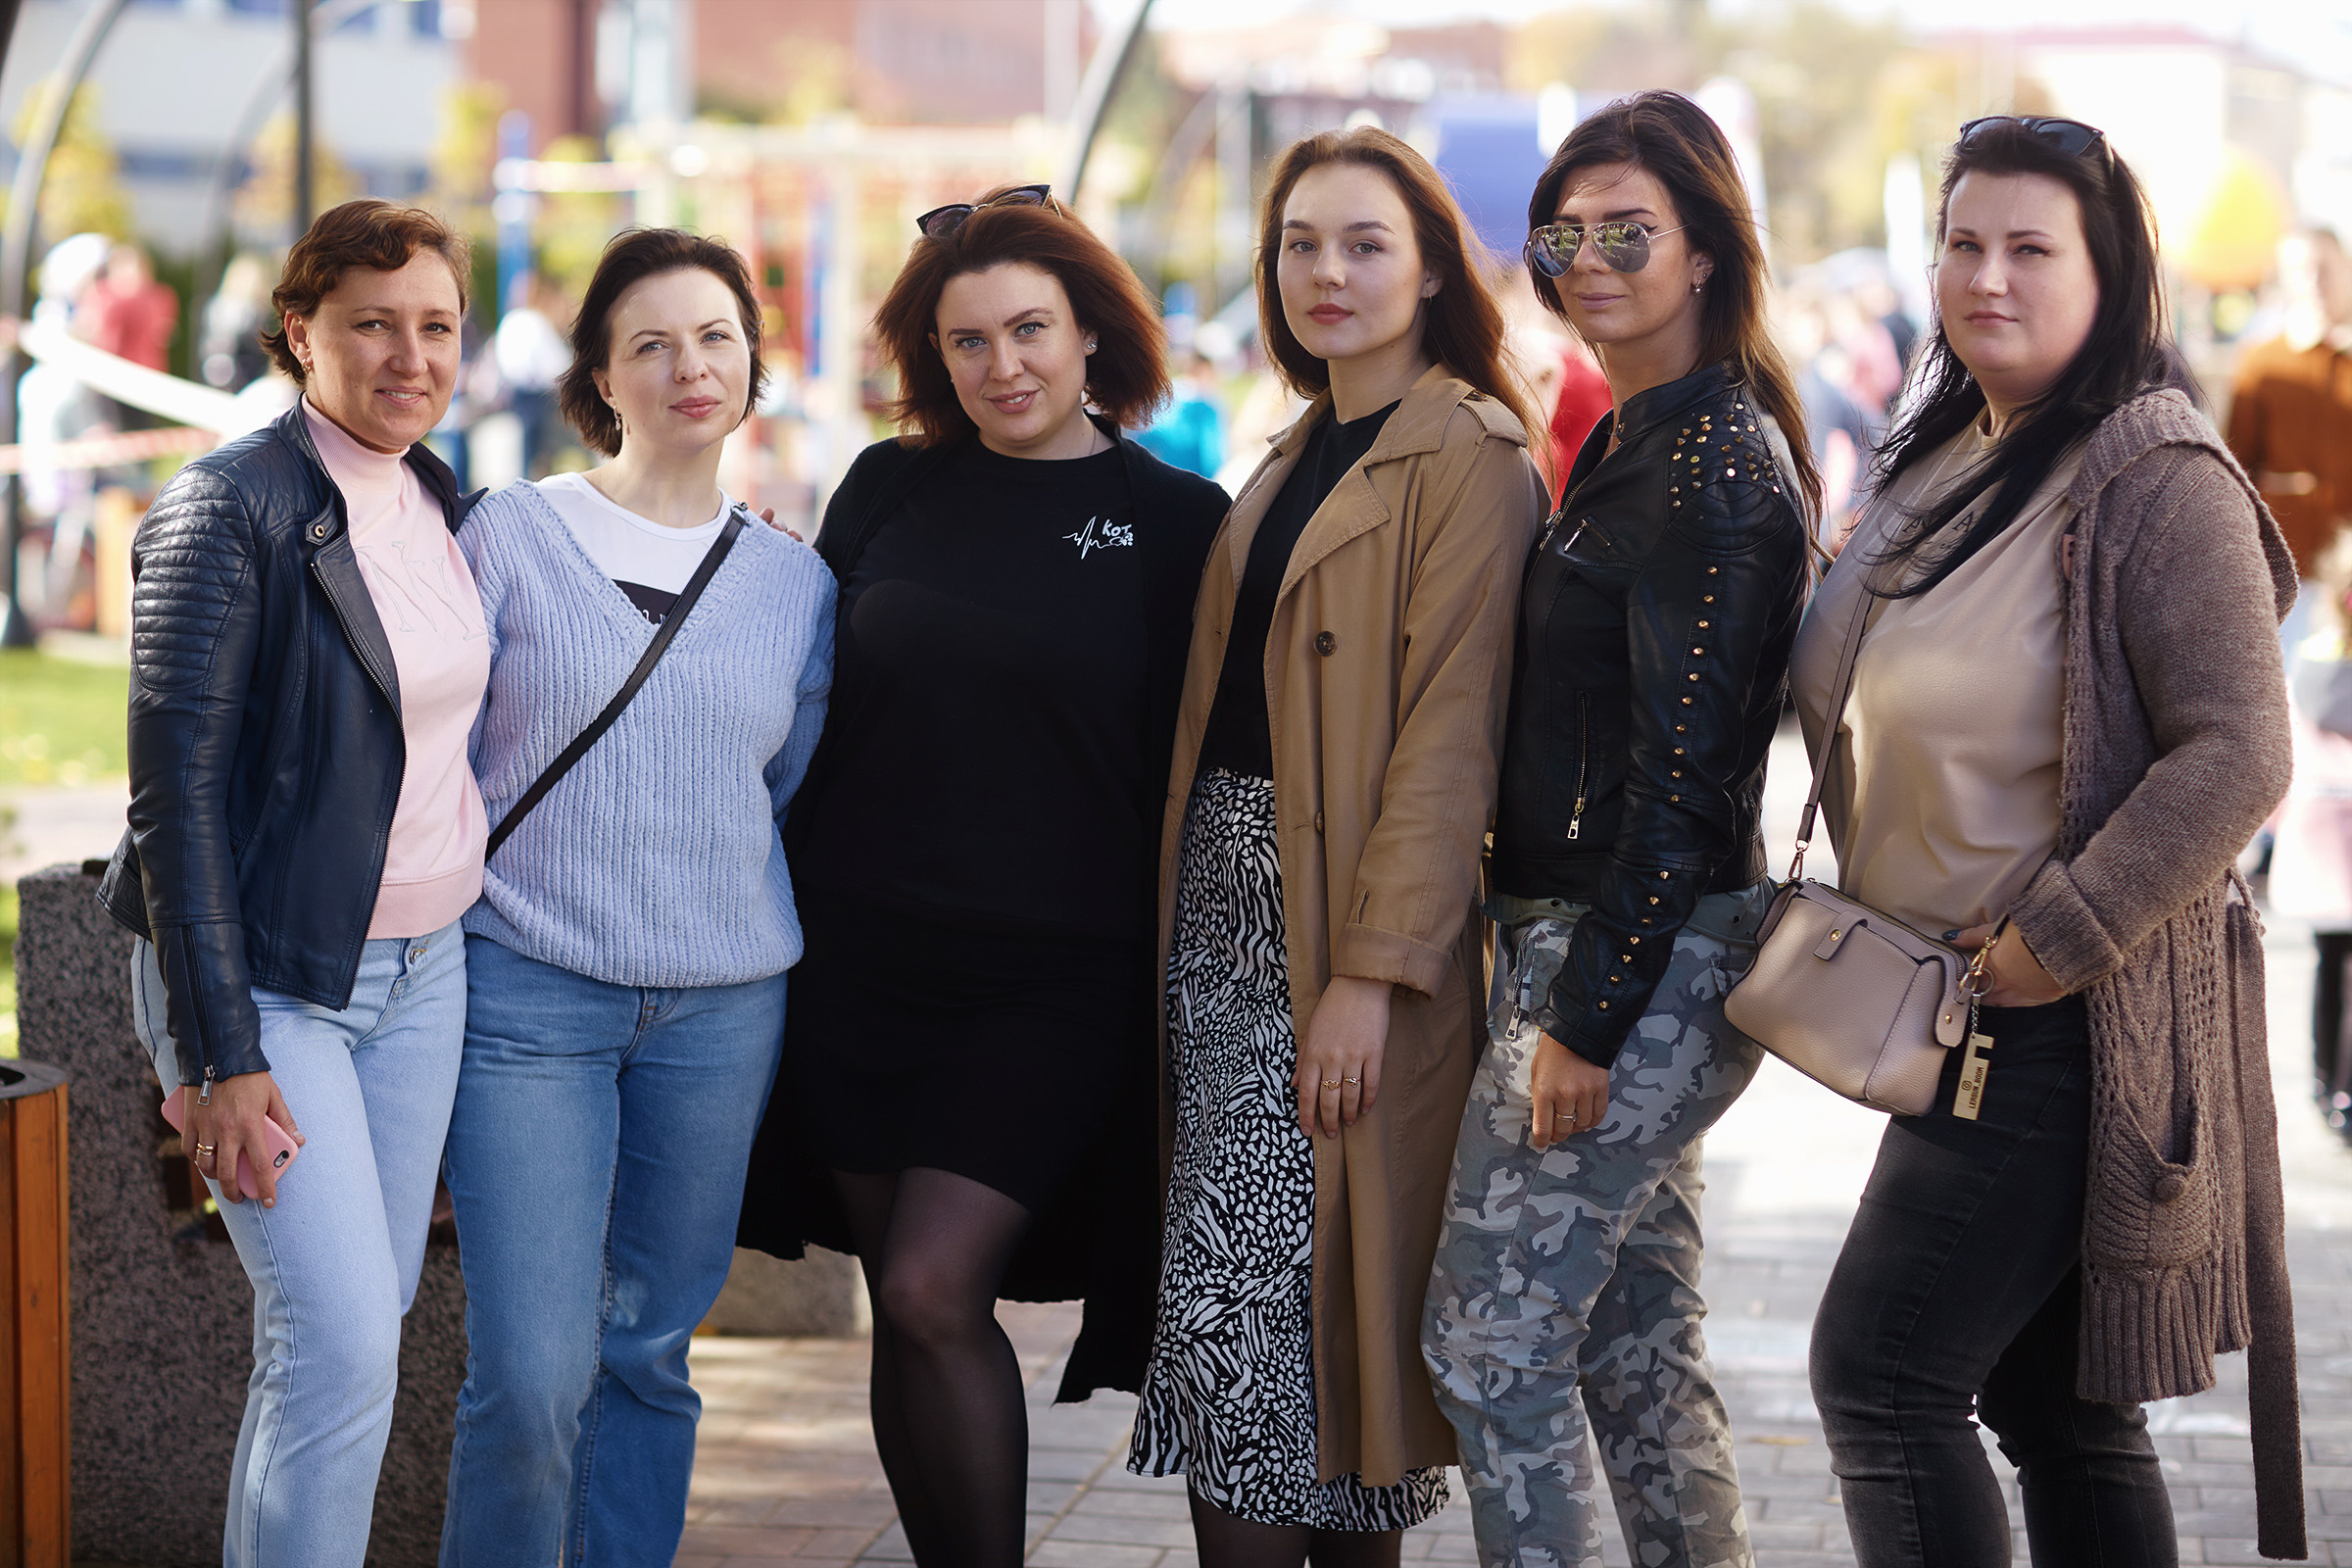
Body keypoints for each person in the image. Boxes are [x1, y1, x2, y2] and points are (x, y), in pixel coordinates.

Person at [1794, 117, 2305, 1565]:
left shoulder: (2155, 475)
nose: (1987, 277)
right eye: (1963, 243)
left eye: (2031, 248)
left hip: (2060, 1019)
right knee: (2058, 1409)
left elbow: (2241, 750)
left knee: (1880, 1377)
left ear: (2108, 273)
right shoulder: (1949, 452)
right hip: (1948, 1001)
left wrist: (2059, 937)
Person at [733, 183, 1228, 1568]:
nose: (1003, 366)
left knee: (934, 1285)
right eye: (968, 342)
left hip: (1055, 983)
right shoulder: (892, 485)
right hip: (863, 962)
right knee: (907, 1308)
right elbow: (801, 685)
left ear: (1089, 337)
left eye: (1030, 330)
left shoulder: (1179, 520)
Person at [1124, 126, 1548, 1565]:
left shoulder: (1472, 454)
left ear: (1432, 269)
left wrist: (1370, 973)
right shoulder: (1294, 447)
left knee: (1302, 1341)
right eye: (1303, 242)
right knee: (1268, 1336)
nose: (1329, 271)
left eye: (1366, 243)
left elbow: (1451, 740)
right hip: (1225, 926)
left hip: (1342, 934)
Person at [1421, 89, 1818, 1568]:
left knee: (1488, 1354)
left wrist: (1582, 1018)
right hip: (1628, 955)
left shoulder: (1712, 465)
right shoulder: (1651, 433)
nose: (1587, 259)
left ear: (1706, 249)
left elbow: (1690, 780)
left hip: (1620, 964)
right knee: (1635, 1358)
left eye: (1628, 233)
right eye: (1563, 233)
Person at [437, 228, 835, 1565]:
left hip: (721, 1009)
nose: (689, 367)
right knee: (534, 1374)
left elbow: (774, 785)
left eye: (716, 337)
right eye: (651, 343)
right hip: (528, 994)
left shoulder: (797, 584)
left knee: (651, 1354)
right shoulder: (508, 536)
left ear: (752, 366)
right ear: (601, 376)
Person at [97, 199, 483, 1568]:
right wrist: (218, 1049)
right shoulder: (225, 510)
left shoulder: (436, 494)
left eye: (435, 325)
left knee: (360, 1336)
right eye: (373, 325)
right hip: (271, 984)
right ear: (297, 334)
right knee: (330, 1348)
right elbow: (172, 800)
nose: (409, 355)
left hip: (425, 974)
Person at [2228, 225, 2352, 668]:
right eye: (2301, 271)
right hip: (2289, 569)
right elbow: (2236, 470)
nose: (2314, 282)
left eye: (2324, 269)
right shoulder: (2262, 364)